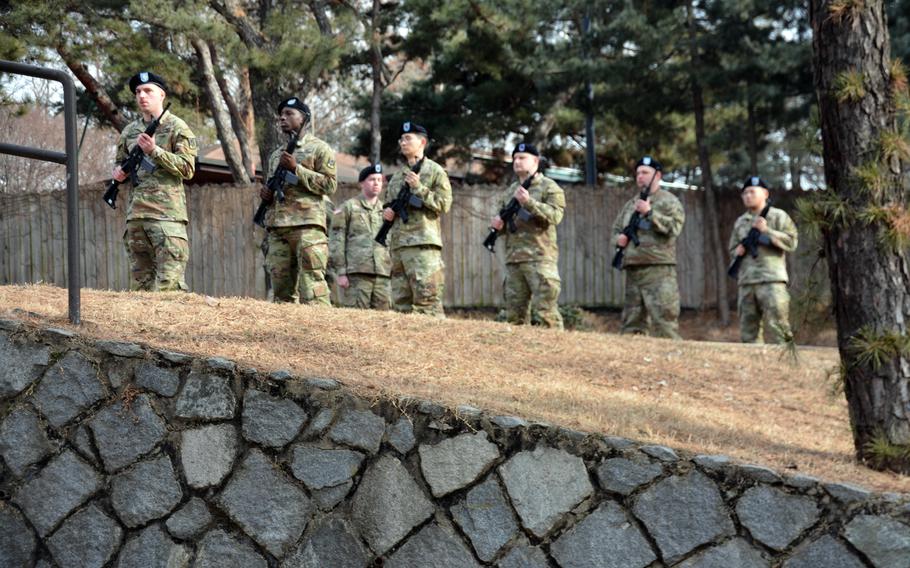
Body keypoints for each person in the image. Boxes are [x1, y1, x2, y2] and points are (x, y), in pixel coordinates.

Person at [113, 71, 197, 291]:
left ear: (161, 94)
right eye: (138, 92)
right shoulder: (129, 132)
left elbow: (188, 169)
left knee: (169, 287)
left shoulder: (178, 128)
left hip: (166, 217)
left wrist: (155, 151)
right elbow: (120, 163)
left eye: (148, 91)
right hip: (136, 217)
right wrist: (119, 173)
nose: (142, 96)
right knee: (139, 288)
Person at [259, 96, 337, 304]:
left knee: (312, 289)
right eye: (281, 115)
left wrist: (297, 169)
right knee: (281, 291)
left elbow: (330, 185)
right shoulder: (276, 155)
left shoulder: (319, 149)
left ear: (303, 118)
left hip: (307, 226)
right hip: (278, 227)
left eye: (289, 114)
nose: (282, 118)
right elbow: (274, 186)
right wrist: (267, 194)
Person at [380, 122, 452, 316]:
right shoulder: (396, 177)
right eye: (401, 139)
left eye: (407, 138)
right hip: (398, 247)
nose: (402, 142)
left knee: (427, 303)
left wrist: (419, 188)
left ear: (422, 142)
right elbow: (388, 205)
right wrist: (386, 213)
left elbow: (444, 204)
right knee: (401, 305)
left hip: (423, 245)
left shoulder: (435, 171)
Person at [490, 143, 565, 329]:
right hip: (514, 259)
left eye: (522, 158)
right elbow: (505, 223)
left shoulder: (549, 187)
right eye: (514, 158)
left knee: (546, 315)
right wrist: (498, 225)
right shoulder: (510, 191)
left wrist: (529, 202)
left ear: (536, 161)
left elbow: (555, 216)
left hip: (539, 259)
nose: (517, 161)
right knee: (514, 317)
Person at [611, 156, 685, 339]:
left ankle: (671, 364)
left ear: (657, 175)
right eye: (638, 173)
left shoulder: (669, 201)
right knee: (631, 324)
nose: (640, 177)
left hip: (659, 270)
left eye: (645, 173)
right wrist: (618, 239)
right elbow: (616, 230)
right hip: (633, 269)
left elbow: (674, 228)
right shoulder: (631, 205)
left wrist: (650, 213)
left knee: (664, 322)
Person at [728, 176, 799, 343]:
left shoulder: (777, 216)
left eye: (752, 192)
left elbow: (792, 242)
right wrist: (737, 251)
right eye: (744, 193)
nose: (748, 196)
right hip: (746, 281)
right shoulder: (740, 222)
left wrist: (767, 231)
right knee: (748, 332)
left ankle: (785, 365)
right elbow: (732, 249)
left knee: (779, 329)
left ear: (765, 193)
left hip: (771, 280)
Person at [329, 164, 392, 309]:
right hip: (357, 274)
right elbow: (337, 241)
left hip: (382, 274)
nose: (376, 183)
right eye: (371, 180)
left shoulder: (386, 211)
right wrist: (340, 272)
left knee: (384, 323)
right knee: (356, 321)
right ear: (362, 183)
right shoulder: (348, 207)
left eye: (379, 180)